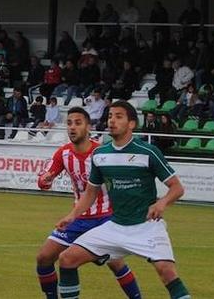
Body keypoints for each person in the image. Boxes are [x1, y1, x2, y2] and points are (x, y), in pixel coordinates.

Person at [56, 101, 190, 299]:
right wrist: (72, 216)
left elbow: (177, 188)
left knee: (167, 272)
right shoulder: (100, 154)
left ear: (131, 124)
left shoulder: (147, 152)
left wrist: (161, 203)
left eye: (119, 117)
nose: (112, 121)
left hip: (147, 227)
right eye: (110, 116)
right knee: (67, 259)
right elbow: (91, 193)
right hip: (115, 227)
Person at [36, 107, 142, 299]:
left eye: (78, 123)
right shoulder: (63, 153)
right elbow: (43, 179)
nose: (72, 127)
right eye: (69, 123)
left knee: (115, 263)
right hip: (78, 218)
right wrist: (46, 179)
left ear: (88, 127)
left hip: (106, 218)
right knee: (44, 257)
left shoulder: (102, 153)